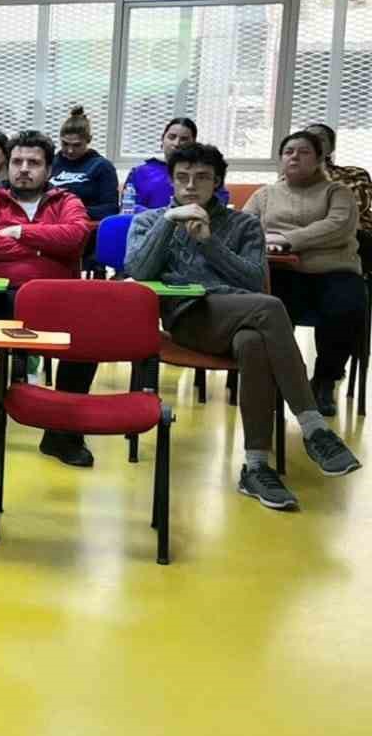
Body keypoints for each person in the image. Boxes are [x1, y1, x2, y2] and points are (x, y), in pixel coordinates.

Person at [126, 142, 358, 511]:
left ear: (217, 182)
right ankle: (313, 426)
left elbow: (252, 280)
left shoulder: (243, 224)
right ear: (171, 182)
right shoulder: (150, 221)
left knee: (253, 342)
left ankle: (255, 467)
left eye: (201, 178)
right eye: (182, 178)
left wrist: (209, 242)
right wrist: (170, 223)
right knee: (270, 308)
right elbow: (139, 270)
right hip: (189, 318)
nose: (190, 186)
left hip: (242, 314)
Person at [0, 130, 98, 466]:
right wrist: (44, 248)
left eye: (34, 162)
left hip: (55, 300)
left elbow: (76, 237)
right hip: (0, 296)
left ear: (48, 169)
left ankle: (62, 432)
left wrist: (21, 232)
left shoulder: (67, 201)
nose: (24, 168)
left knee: (88, 331)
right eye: (17, 162)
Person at [244, 129, 366, 416]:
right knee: (266, 310)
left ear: (321, 158)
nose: (295, 156)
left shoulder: (338, 192)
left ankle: (325, 380)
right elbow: (245, 227)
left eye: (304, 151)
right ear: (280, 159)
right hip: (281, 271)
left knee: (346, 309)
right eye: (289, 152)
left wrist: (285, 239)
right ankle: (282, 377)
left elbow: (338, 227)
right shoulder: (265, 194)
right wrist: (268, 242)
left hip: (334, 270)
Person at [305, 122, 372, 261]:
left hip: (356, 234)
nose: (314, 142)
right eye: (309, 139)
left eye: (321, 139)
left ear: (331, 148)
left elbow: (356, 207)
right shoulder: (289, 179)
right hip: (312, 237)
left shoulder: (354, 174)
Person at [50, 106, 120, 221]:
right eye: (65, 144)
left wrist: (72, 211)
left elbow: (110, 209)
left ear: (89, 140)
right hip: (49, 223)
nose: (70, 150)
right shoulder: (52, 162)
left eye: (77, 145)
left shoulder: (102, 166)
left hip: (84, 225)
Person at [123, 117, 198, 211]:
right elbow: (128, 209)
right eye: (172, 137)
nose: (177, 143)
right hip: (146, 224)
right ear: (162, 140)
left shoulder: (203, 174)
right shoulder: (140, 172)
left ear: (194, 143)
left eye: (184, 139)